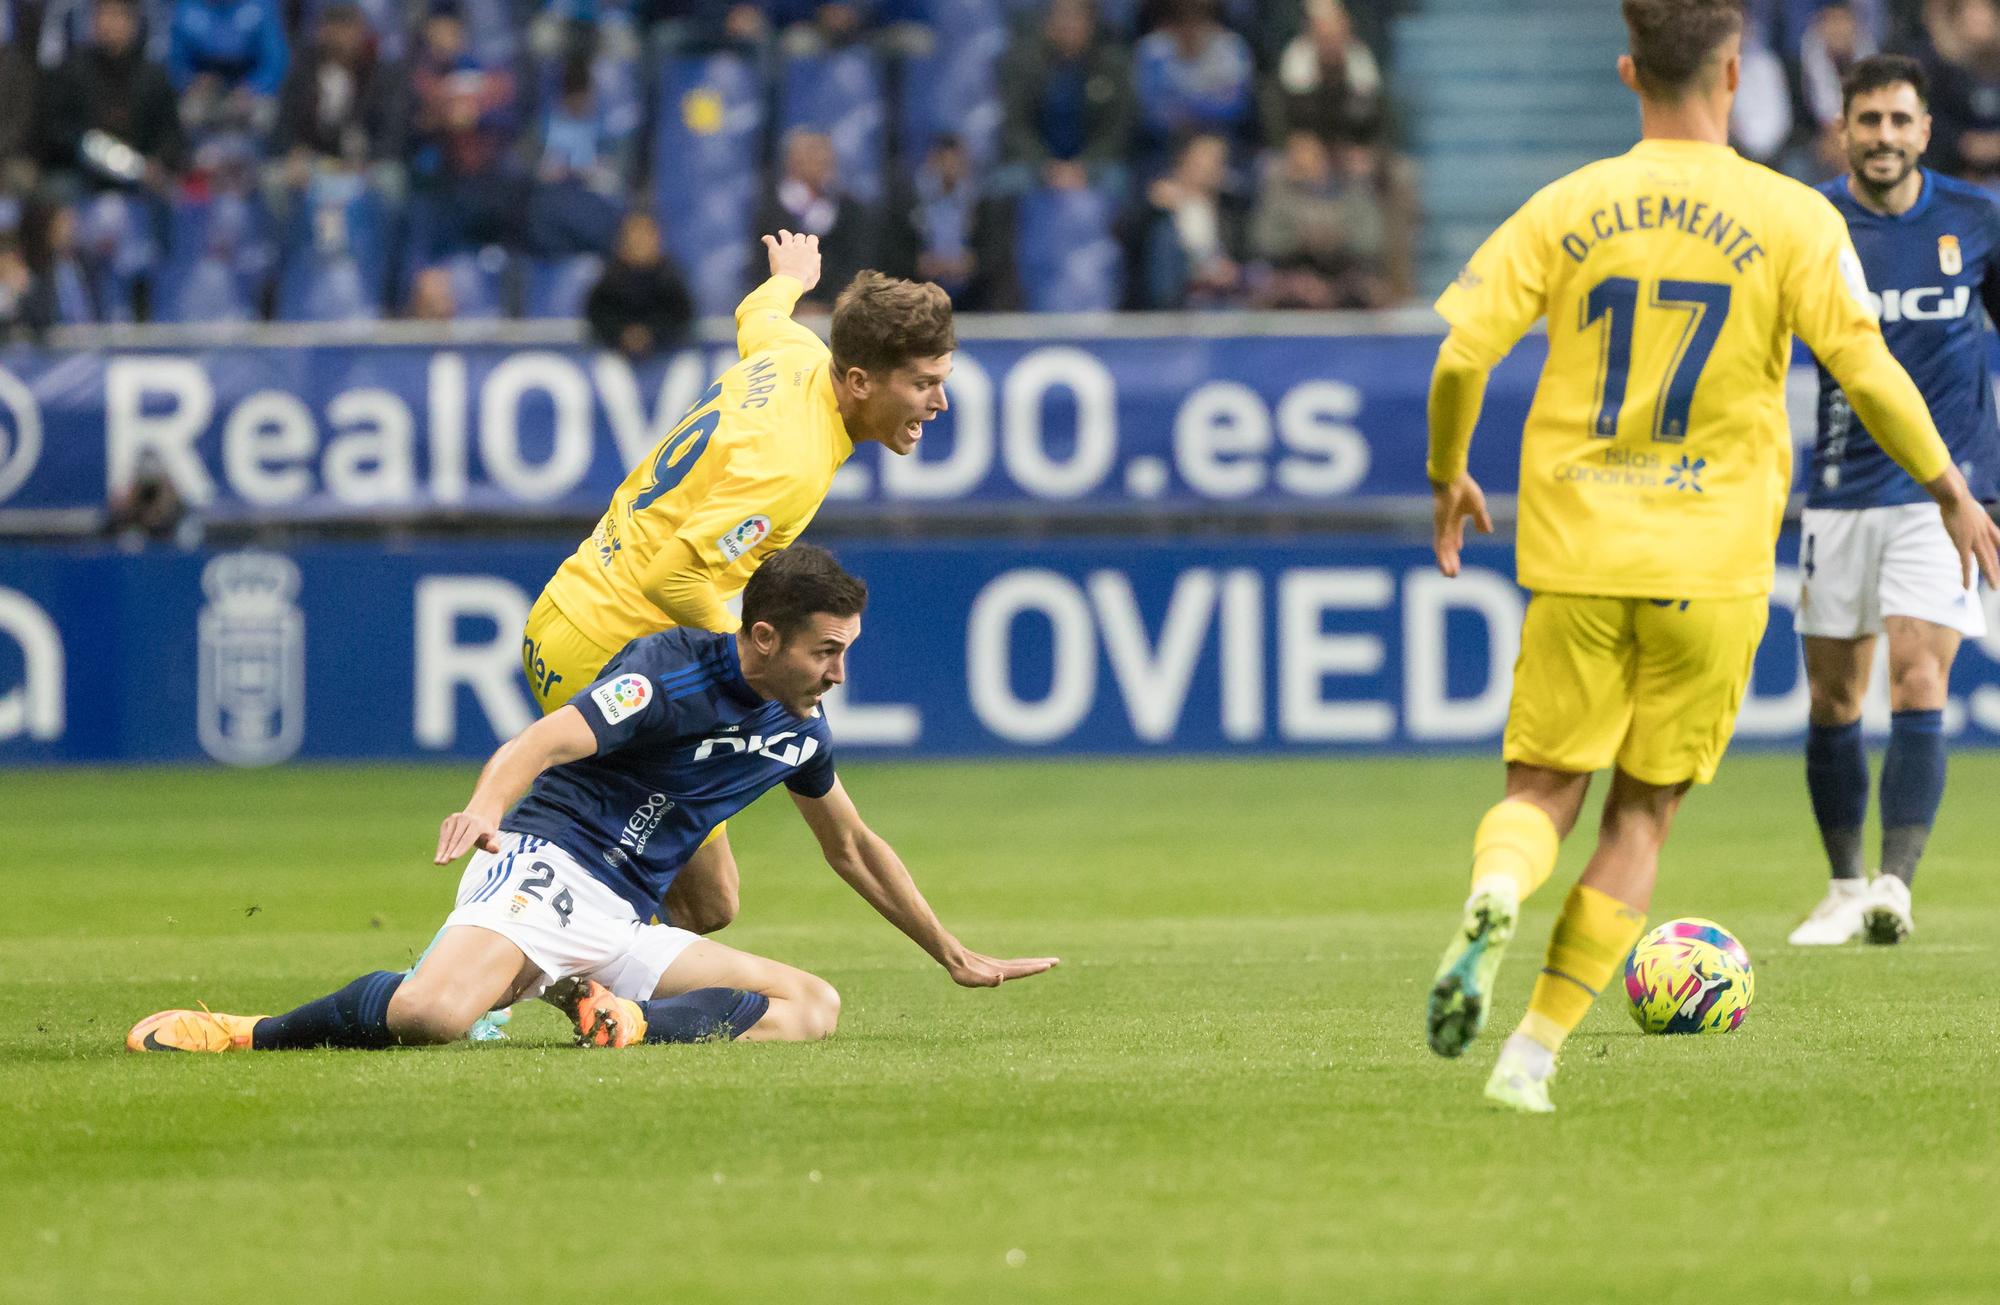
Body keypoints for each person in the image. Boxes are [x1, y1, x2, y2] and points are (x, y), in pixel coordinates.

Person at [1421, 0, 2000, 1114]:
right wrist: (1950, 493)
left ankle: (1494, 891)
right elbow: (1871, 375)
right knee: (1638, 819)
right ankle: (1528, 1060)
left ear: (1629, 69)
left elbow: (1460, 358)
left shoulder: (1567, 204)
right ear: (1735, 74)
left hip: (1577, 548)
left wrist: (1449, 473)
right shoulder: (1787, 215)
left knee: (1542, 792)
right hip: (1713, 560)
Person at [127, 546, 1057, 1055]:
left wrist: (951, 952)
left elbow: (852, 846)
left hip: (620, 920)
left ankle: (624, 1018)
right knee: (431, 1017)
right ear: (764, 636)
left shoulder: (796, 727)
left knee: (813, 1003)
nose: (840, 672)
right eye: (828, 650)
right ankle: (245, 1030)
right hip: (548, 868)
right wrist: (488, 807)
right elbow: (540, 740)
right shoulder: (667, 672)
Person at [523, 230, 951, 937]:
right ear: (861, 381)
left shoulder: (799, 351)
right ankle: (502, 956)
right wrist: (748, 656)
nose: (938, 403)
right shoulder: (791, 464)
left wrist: (790, 277)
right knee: (698, 900)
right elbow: (674, 575)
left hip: (570, 609)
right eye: (923, 383)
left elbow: (757, 314)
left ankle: (542, 959)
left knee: (707, 901)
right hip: (609, 643)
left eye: (942, 380)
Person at [1785, 55, 2000, 947]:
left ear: (1924, 130)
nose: (1884, 137)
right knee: (1835, 700)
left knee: (1921, 675)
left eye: (1899, 121)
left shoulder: (1977, 219)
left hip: (1944, 493)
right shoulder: (1810, 224)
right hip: (1838, 492)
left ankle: (1892, 886)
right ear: (1843, 128)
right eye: (1867, 120)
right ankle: (1841, 884)